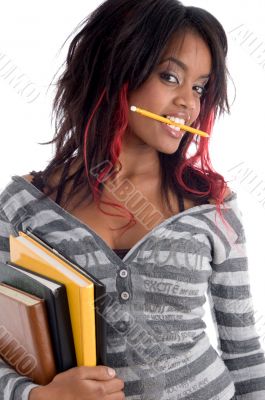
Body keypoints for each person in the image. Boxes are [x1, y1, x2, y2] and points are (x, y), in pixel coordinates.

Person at [0, 0, 264, 398]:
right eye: (170, 77)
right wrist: (38, 395)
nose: (189, 104)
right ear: (116, 67)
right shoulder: (24, 205)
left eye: (199, 87)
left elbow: (243, 352)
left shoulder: (214, 205)